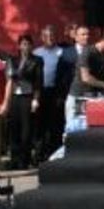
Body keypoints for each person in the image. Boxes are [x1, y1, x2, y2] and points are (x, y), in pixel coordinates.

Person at [0, 35, 43, 169]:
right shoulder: (12, 60)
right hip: (14, 97)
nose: (25, 46)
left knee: (26, 130)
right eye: (23, 44)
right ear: (19, 46)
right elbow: (9, 81)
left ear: (31, 46)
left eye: (28, 44)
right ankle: (14, 160)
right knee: (14, 129)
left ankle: (24, 160)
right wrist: (6, 102)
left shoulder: (37, 60)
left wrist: (35, 99)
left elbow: (38, 82)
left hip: (28, 97)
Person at [33, 25, 64, 161]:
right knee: (39, 124)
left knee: (54, 124)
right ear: (42, 37)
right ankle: (39, 154)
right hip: (40, 92)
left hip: (55, 92)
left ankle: (53, 153)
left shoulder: (61, 52)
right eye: (46, 36)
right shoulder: (37, 53)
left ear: (55, 37)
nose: (49, 38)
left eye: (52, 36)